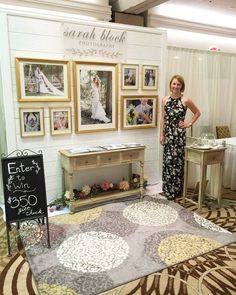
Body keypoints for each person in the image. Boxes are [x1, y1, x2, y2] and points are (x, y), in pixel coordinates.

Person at [160, 74, 201, 200]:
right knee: (167, 162)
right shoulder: (165, 100)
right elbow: (163, 119)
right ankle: (167, 190)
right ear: (170, 85)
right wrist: (161, 135)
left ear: (182, 86)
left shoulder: (185, 100)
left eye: (178, 84)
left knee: (177, 163)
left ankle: (176, 191)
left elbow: (197, 112)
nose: (176, 86)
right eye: (174, 84)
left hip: (178, 136)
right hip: (168, 135)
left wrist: (188, 124)